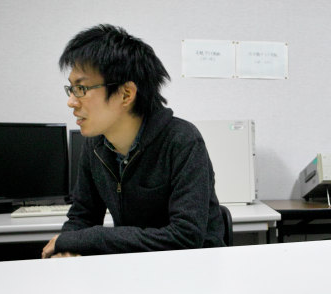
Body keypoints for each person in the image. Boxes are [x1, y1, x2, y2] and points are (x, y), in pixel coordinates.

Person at [42, 24, 225, 258]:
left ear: (126, 94)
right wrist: (68, 248)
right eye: (71, 88)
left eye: (81, 88)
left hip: (194, 267)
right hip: (133, 264)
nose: (71, 101)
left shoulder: (182, 140)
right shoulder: (96, 145)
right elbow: (82, 216)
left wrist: (89, 239)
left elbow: (185, 237)